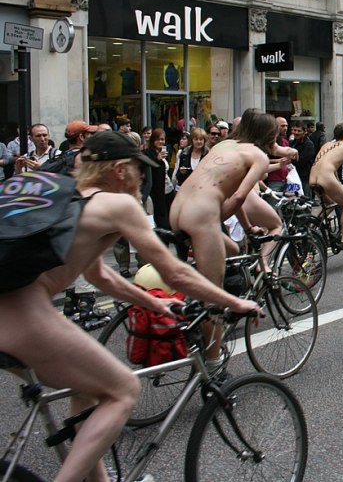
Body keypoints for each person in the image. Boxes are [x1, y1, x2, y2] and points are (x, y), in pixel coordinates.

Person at [0, 130, 258, 482]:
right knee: (123, 390)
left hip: (13, 311)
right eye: (140, 170)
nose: (142, 179)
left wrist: (155, 304)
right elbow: (176, 273)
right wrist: (234, 301)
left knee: (86, 389)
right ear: (120, 170)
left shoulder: (69, 199)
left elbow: (100, 276)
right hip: (21, 313)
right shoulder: (118, 205)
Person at [169, 109, 286, 366]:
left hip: (177, 209)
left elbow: (232, 192)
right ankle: (213, 368)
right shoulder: (258, 156)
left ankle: (204, 309)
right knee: (213, 295)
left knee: (233, 250)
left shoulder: (224, 144)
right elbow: (239, 197)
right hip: (200, 215)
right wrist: (215, 221)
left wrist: (244, 228)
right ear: (269, 136)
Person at [173, 126, 209, 193]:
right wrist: (181, 173)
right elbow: (178, 176)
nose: (198, 141)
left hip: (202, 190)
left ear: (204, 140)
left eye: (201, 139)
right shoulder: (184, 154)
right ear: (192, 140)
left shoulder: (208, 155)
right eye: (196, 139)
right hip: (185, 190)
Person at [289, 120, 316, 196]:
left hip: (304, 177)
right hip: (292, 177)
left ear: (305, 132)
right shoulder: (291, 143)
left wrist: (290, 159)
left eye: (299, 131)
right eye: (294, 130)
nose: (296, 133)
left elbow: (301, 161)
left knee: (305, 199)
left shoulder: (308, 144)